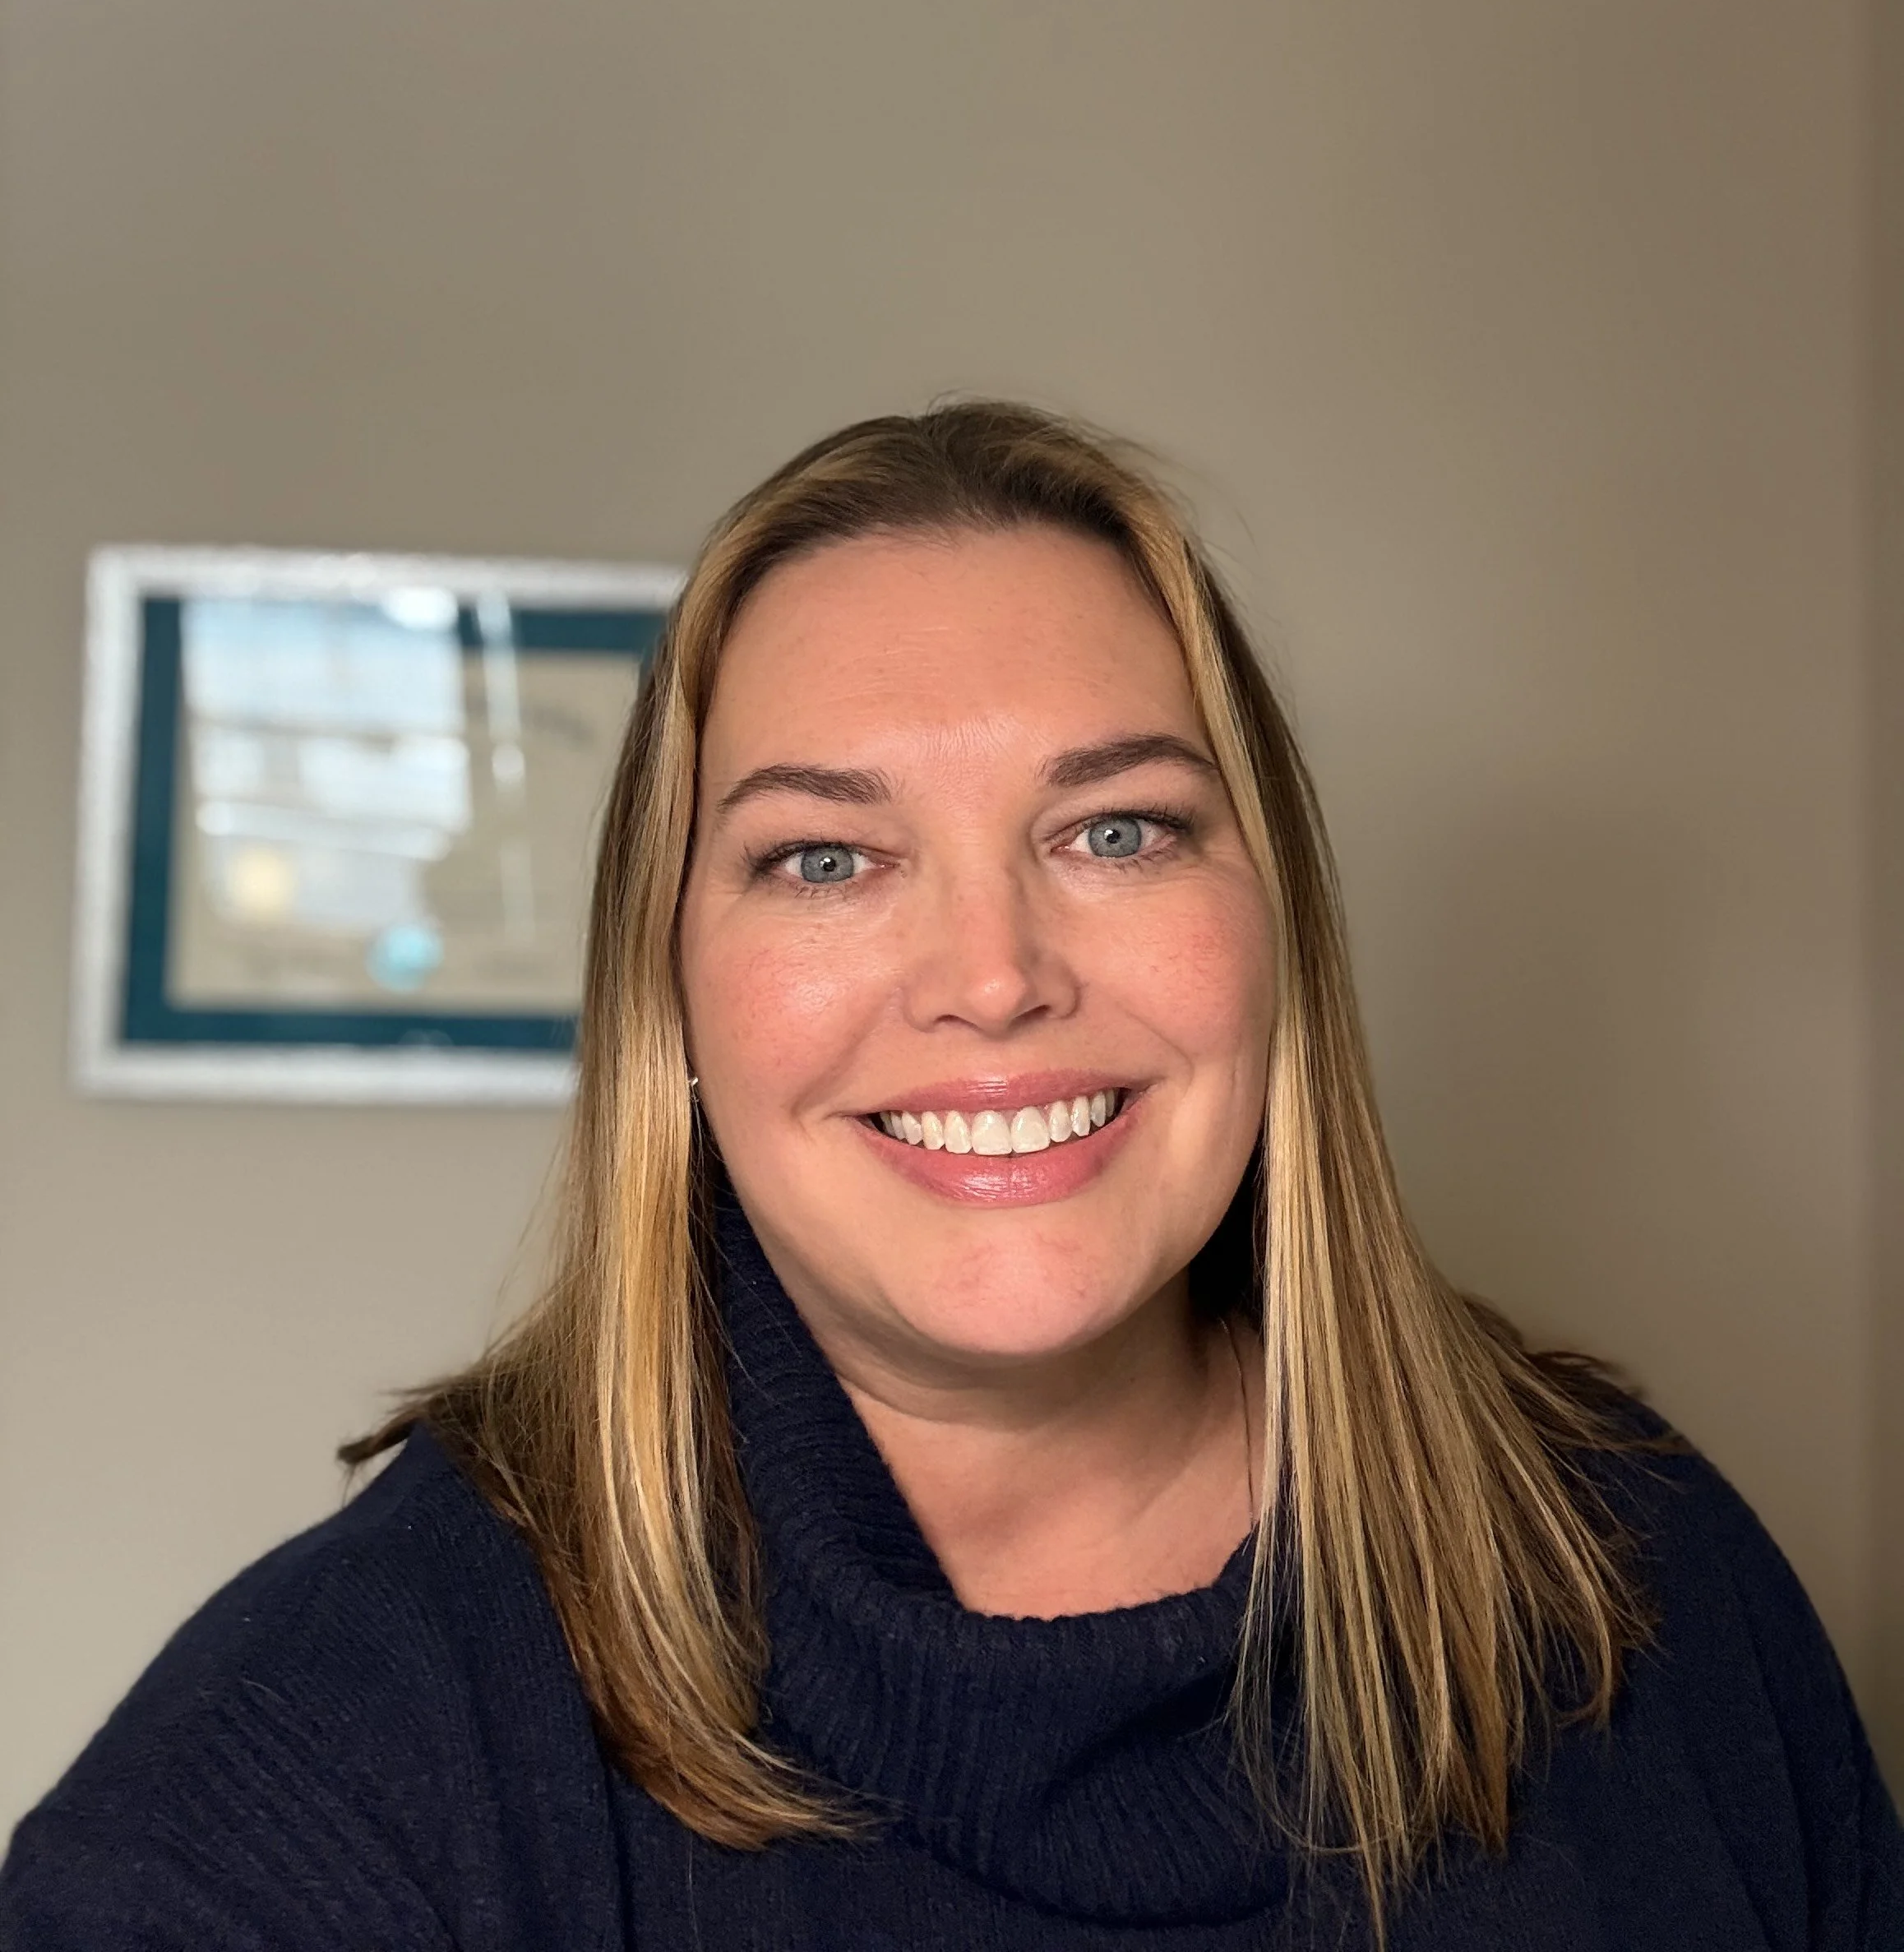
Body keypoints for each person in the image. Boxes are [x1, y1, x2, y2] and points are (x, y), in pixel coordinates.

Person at [3, 399, 1899, 1950]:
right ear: (667, 991)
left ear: (1281, 933)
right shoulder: (333, 1762)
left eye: (1117, 826)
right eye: (825, 857)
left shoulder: (1639, 1573)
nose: (994, 976)